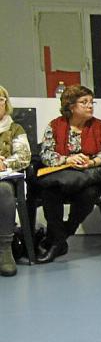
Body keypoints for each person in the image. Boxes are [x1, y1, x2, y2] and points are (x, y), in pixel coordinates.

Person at [36, 85, 101, 264]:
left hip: (88, 175)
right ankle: (59, 240)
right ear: (71, 106)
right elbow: (46, 154)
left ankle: (58, 239)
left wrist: (91, 162)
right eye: (84, 102)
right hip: (62, 175)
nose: (90, 106)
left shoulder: (99, 126)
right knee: (50, 191)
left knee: (90, 193)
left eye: (91, 102)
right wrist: (68, 159)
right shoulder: (55, 125)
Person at [0, 86, 31, 276]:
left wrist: (4, 163)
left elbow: (24, 157)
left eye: (0, 100)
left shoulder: (15, 129)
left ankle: (4, 250)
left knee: (3, 191)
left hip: (4, 178)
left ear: (6, 103)